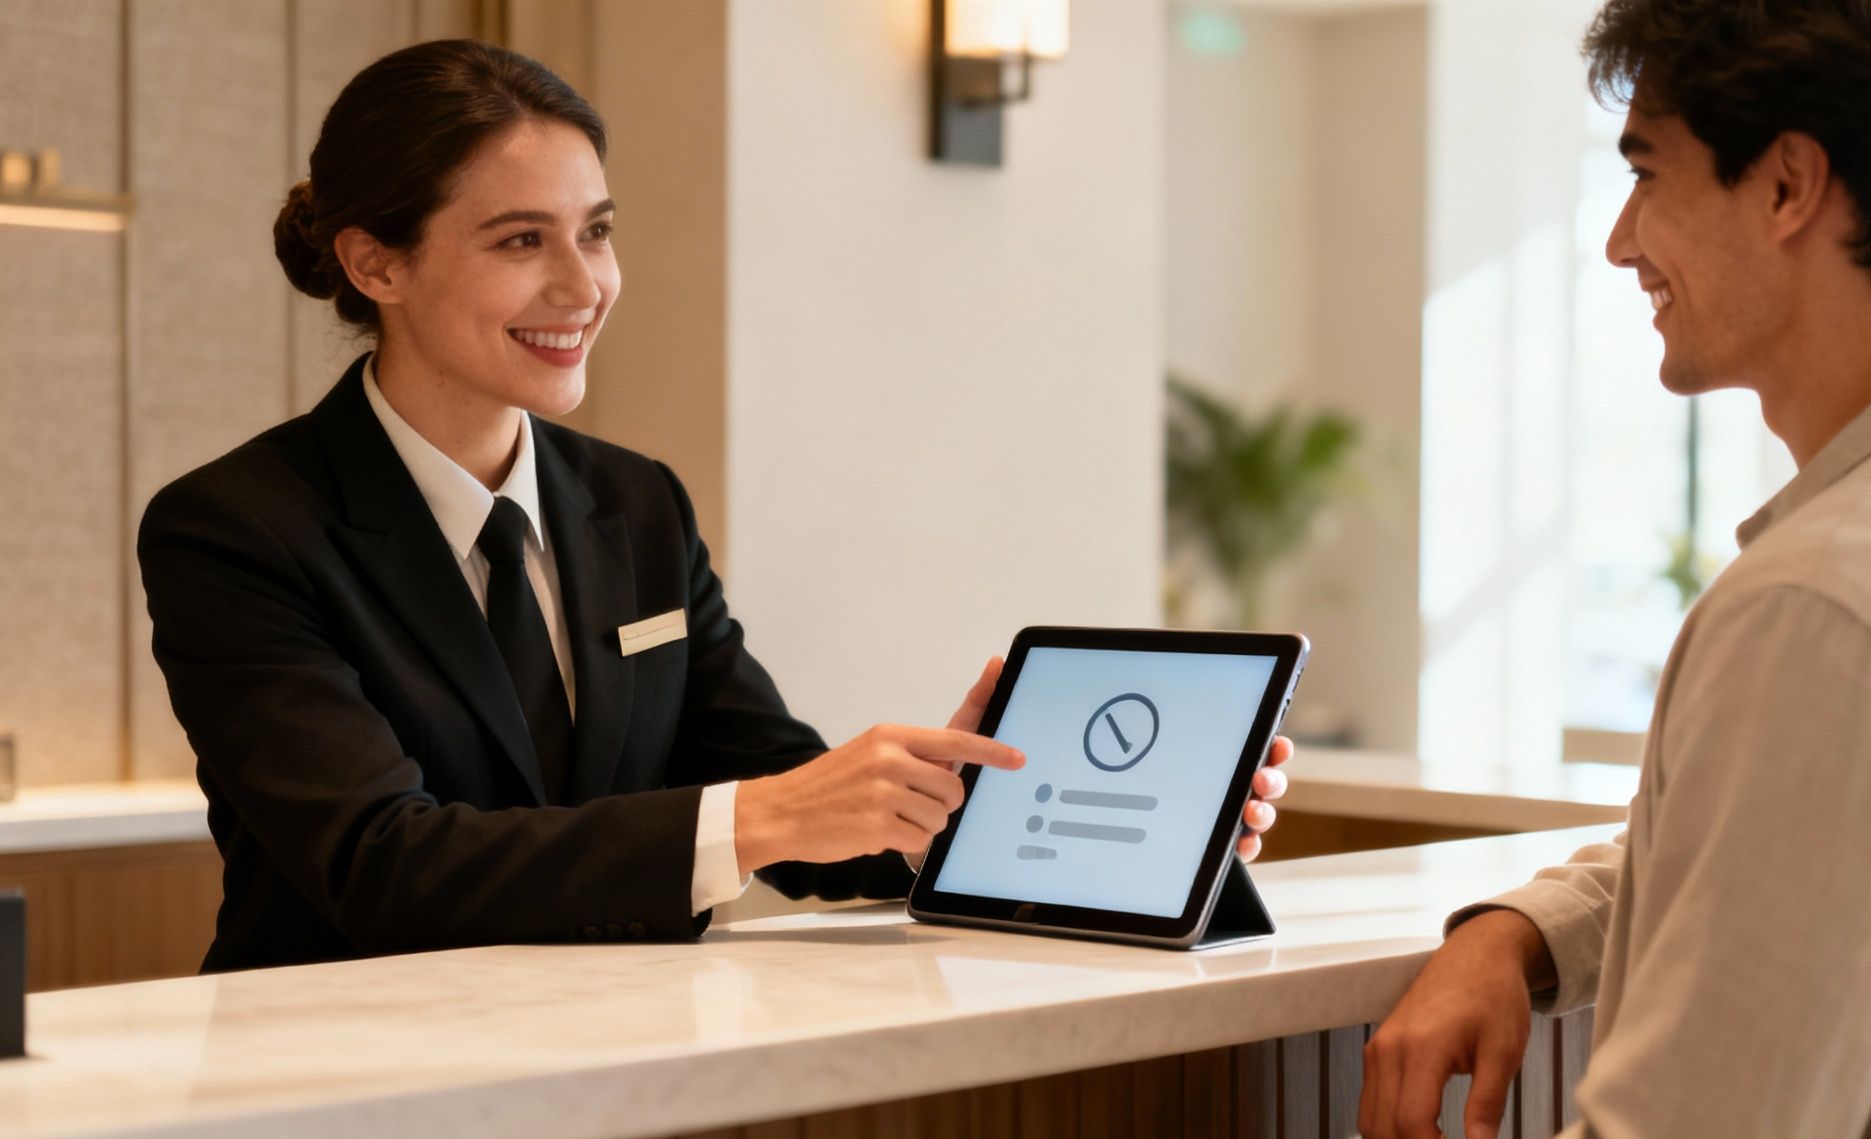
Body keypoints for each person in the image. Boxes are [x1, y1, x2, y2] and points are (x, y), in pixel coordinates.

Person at [137, 39, 1290, 974]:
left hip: (639, 1066)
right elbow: (382, 867)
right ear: (376, 265)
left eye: (595, 230)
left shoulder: (633, 504)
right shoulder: (238, 529)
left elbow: (779, 787)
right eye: (520, 241)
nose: (583, 286)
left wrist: (1027, 808)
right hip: (334, 1084)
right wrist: (765, 819)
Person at [1358, 1, 1871, 1139]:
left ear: (1785, 185)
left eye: (1644, 173)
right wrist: (1520, 932)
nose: (1619, 240)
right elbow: (1796, 839)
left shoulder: (1831, 608)